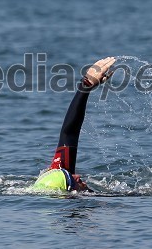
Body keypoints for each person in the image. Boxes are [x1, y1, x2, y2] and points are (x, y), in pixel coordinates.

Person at [33, 57, 116, 192]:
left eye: (70, 175)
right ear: (68, 191)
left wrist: (85, 86)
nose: (77, 176)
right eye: (71, 179)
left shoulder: (58, 176)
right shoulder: (79, 201)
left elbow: (69, 132)